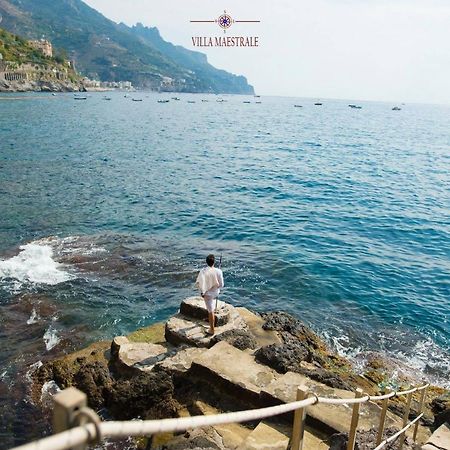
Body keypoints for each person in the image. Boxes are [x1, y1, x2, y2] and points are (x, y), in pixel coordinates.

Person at [196, 254, 224, 335]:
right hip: (215, 292)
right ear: (214, 262)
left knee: (210, 311)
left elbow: (199, 282)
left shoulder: (203, 271)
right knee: (211, 308)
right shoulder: (219, 271)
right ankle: (212, 324)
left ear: (206, 262)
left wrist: (202, 292)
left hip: (207, 294)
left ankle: (212, 330)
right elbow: (221, 285)